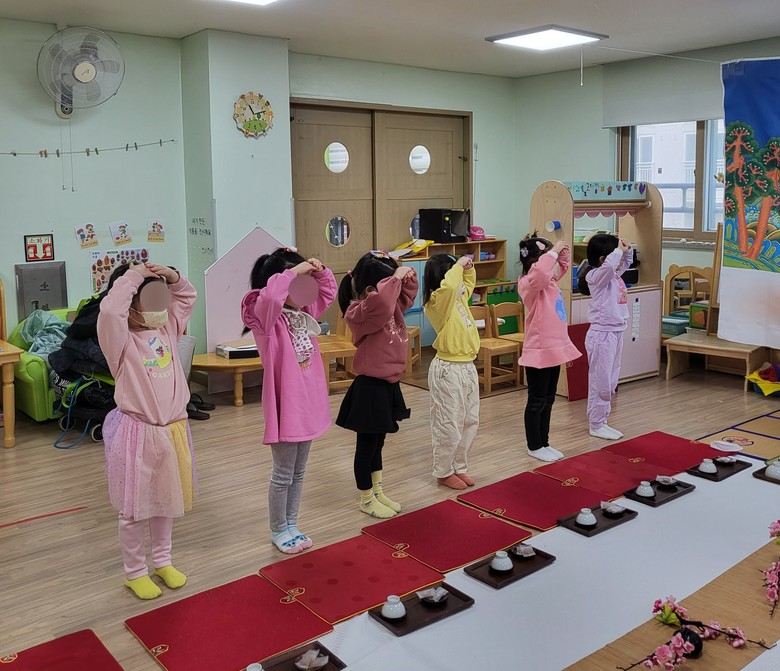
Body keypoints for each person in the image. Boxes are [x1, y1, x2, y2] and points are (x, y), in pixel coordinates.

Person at [97, 261, 197, 600]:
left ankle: (163, 561)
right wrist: (134, 276)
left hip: (172, 432)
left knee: (164, 501)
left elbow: (187, 296)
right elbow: (110, 311)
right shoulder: (120, 341)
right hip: (137, 434)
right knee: (133, 509)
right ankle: (135, 572)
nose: (159, 306)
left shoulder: (167, 329)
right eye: (150, 299)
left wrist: (171, 276)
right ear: (132, 304)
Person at [241, 247, 336, 554]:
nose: (305, 288)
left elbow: (328, 291)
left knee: (299, 472)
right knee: (283, 474)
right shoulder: (266, 317)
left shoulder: (304, 314)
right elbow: (271, 297)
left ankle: (292, 524)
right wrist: (294, 272)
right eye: (298, 282)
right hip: (286, 408)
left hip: (308, 406)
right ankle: (279, 529)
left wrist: (319, 270)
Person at [336, 251, 418, 518]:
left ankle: (377, 491)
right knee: (366, 447)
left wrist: (407, 278)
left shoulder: (388, 305)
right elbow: (381, 303)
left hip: (387, 385)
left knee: (378, 444)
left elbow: (406, 296)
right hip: (369, 388)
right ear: (371, 289)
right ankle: (365, 498)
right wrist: (394, 278)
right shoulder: (359, 311)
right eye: (389, 282)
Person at [517, 234, 581, 462]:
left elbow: (561, 268)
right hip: (539, 351)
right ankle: (534, 445)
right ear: (536, 261)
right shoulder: (528, 283)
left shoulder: (548, 282)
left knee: (548, 399)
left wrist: (561, 254)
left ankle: (544, 442)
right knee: (536, 400)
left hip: (554, 349)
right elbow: (540, 274)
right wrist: (552, 253)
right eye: (546, 257)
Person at [423, 254, 480, 490]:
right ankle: (443, 471)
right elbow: (449, 287)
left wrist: (468, 269)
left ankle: (459, 466)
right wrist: (457, 266)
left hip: (467, 366)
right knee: (449, 423)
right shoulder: (437, 302)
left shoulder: (458, 298)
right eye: (453, 271)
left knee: (469, 421)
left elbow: (466, 284)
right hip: (448, 370)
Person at [579, 234, 633, 439]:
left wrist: (627, 249)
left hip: (616, 331)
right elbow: (610, 266)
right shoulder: (596, 277)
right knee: (600, 381)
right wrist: (618, 250)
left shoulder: (613, 276)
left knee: (610, 381)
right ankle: (596, 423)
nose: (618, 260)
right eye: (615, 255)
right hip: (602, 334)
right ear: (604, 259)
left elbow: (624, 263)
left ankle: (602, 421)